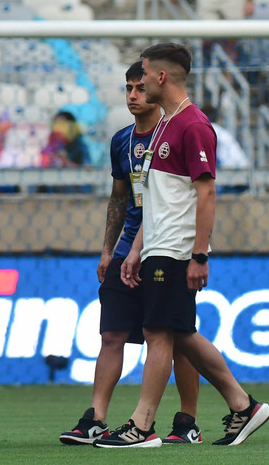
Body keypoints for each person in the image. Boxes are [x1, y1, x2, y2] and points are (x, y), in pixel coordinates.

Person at [94, 43, 269, 448]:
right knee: (178, 331)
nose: (139, 83)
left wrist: (199, 254)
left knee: (160, 332)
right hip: (156, 246)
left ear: (161, 77)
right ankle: (243, 404)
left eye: (144, 74)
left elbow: (205, 193)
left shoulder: (193, 125)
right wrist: (136, 248)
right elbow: (156, 198)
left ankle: (142, 425)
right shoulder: (164, 125)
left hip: (176, 249)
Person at [60, 61, 204, 445]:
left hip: (167, 246)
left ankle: (187, 420)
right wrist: (108, 250)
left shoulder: (174, 133)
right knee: (112, 333)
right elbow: (119, 199)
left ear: (156, 87)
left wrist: (198, 252)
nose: (133, 95)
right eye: (128, 88)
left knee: (177, 335)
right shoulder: (121, 141)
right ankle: (96, 418)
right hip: (128, 249)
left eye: (140, 87)